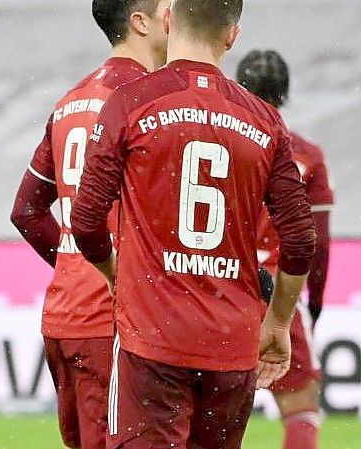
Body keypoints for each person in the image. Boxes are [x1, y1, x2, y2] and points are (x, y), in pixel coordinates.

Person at [70, 1, 317, 448]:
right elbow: (300, 242)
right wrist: (278, 323)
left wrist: (115, 277)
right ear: (231, 37)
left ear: (168, 21)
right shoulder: (264, 121)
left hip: (153, 341)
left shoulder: (131, 103)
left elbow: (85, 221)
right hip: (232, 344)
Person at [10, 1, 169, 448]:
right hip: (118, 323)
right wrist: (110, 271)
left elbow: (26, 211)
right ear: (140, 22)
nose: (177, 17)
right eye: (168, 9)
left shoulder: (70, 101)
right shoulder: (152, 99)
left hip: (65, 318)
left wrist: (75, 262)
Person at [238, 49, 333, 449]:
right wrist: (314, 301)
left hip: (220, 288)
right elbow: (317, 241)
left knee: (207, 411)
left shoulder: (221, 142)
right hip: (278, 292)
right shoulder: (306, 156)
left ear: (238, 89)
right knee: (301, 406)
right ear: (286, 93)